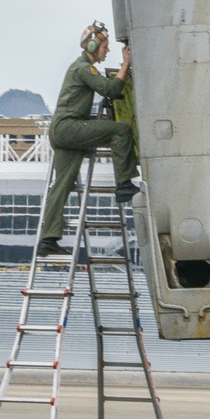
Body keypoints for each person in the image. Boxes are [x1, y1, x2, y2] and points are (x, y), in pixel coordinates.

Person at [38, 21, 136, 258]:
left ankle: (48, 239)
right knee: (121, 131)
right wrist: (125, 65)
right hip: (68, 128)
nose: (107, 51)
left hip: (62, 131)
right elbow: (111, 89)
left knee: (61, 185)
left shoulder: (79, 68)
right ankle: (124, 185)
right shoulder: (83, 68)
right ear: (93, 46)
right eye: (105, 47)